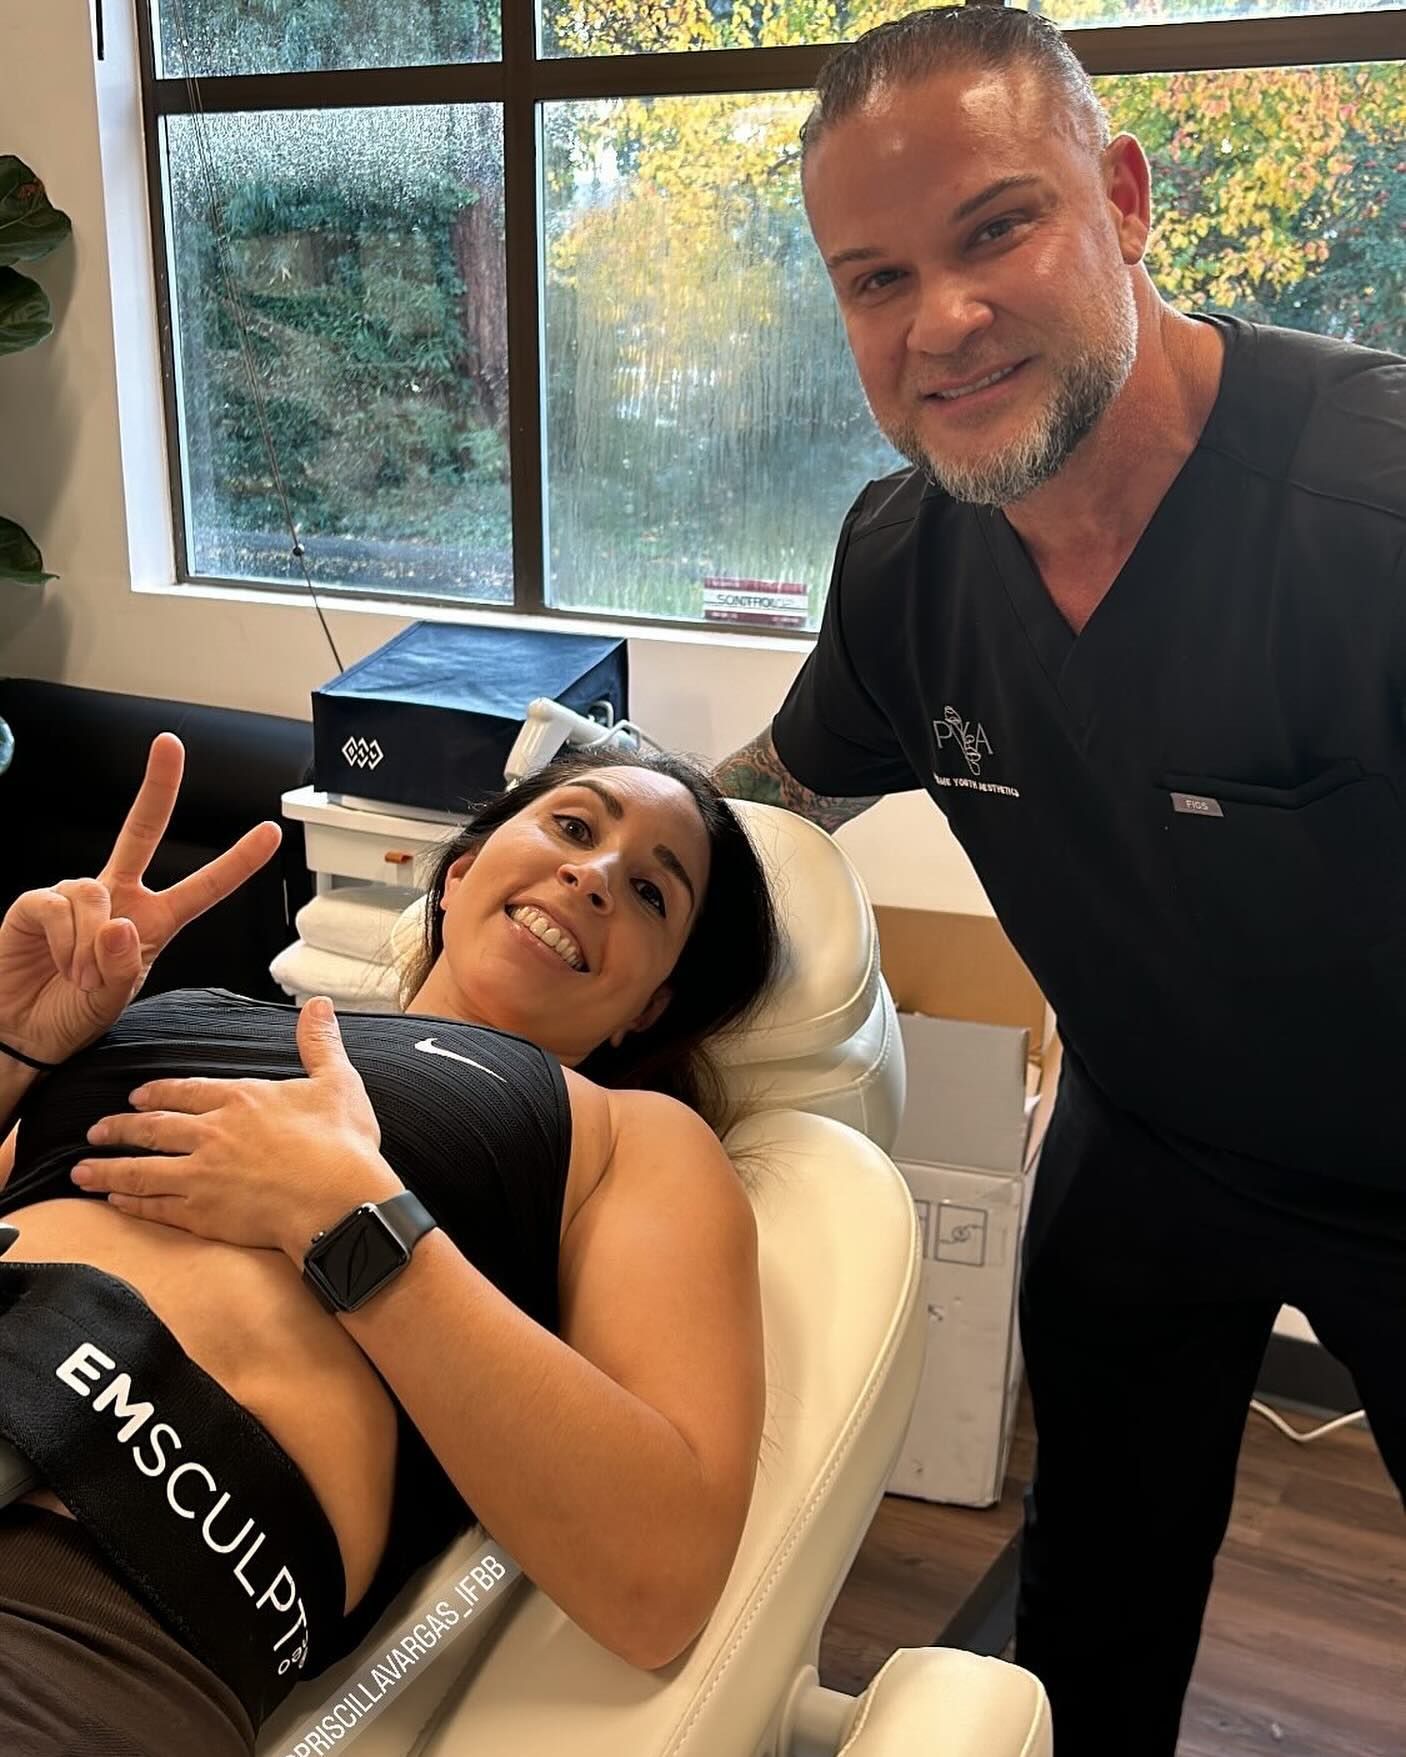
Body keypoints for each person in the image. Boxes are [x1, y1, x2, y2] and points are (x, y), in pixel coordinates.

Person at [714, 8, 1406, 1753]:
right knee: (1092, 1590)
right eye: (873, 280)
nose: (938, 323)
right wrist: (546, 863)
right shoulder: (905, 564)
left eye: (996, 229)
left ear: (1120, 199)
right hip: (1148, 1139)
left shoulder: (1373, 508)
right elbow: (763, 799)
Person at [0, 730, 779, 1755]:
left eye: (649, 894)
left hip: (106, 1587)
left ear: (649, 1005)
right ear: (456, 878)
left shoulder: (622, 1137)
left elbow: (658, 1577)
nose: (593, 875)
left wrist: (348, 1218)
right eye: (573, 825)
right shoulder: (182, 1007)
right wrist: (15, 1050)